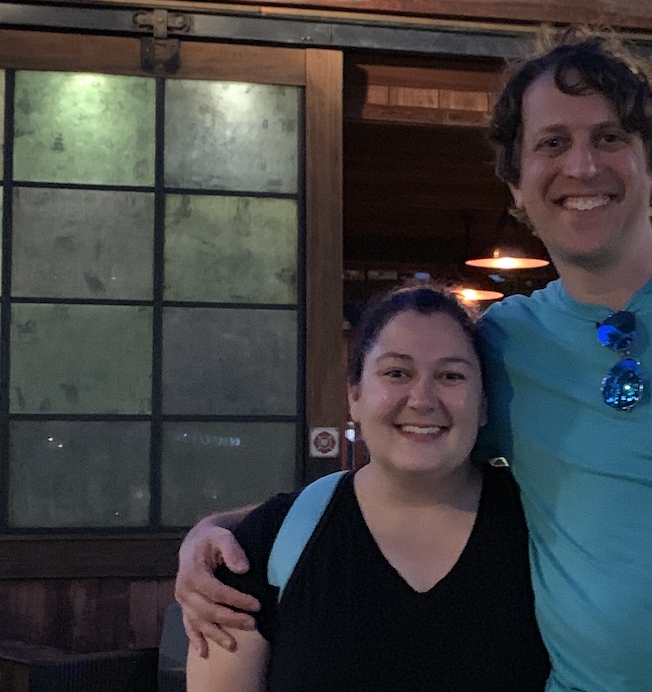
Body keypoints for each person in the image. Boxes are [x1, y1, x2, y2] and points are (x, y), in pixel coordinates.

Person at [179, 28, 652, 692]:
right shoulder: (499, 346)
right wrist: (222, 531)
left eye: (610, 138)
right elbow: (400, 470)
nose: (582, 164)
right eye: (551, 142)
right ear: (515, 186)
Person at [186, 285, 550, 692]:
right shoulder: (261, 547)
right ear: (354, 396)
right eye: (397, 372)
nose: (422, 399)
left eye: (451, 375)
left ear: (483, 406)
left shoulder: (547, 525)